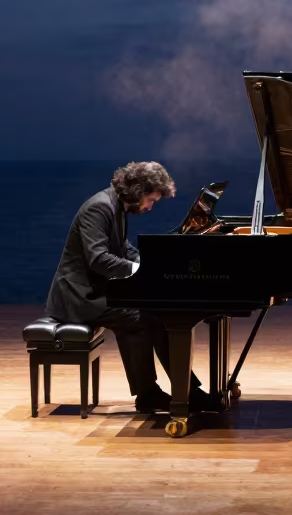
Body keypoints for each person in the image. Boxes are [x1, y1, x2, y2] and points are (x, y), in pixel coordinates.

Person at [43, 161, 207, 413]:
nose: (150, 206)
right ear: (138, 190)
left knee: (157, 314)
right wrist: (140, 271)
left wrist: (152, 264)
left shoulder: (115, 205)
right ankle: (153, 394)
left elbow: (122, 249)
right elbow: (98, 259)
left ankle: (179, 390)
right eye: (150, 199)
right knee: (142, 316)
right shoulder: (99, 207)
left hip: (95, 291)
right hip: (80, 297)